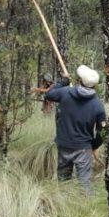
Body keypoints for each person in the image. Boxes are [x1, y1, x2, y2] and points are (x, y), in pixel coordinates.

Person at [43, 65, 105, 193]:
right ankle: (87, 207)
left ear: (79, 81)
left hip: (64, 145)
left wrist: (63, 82)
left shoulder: (65, 92)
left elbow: (48, 94)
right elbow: (102, 132)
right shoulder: (98, 105)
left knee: (64, 184)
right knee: (84, 185)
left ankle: (64, 206)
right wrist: (93, 146)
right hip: (83, 149)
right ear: (94, 85)